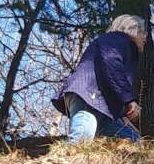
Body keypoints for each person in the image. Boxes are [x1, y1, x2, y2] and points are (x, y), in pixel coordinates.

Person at [52, 14, 146, 143]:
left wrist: (121, 115)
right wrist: (129, 100)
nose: (145, 38)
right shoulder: (117, 39)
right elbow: (112, 64)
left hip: (103, 107)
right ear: (134, 29)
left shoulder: (125, 47)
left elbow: (111, 79)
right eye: (143, 33)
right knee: (79, 142)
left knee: (133, 141)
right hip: (88, 97)